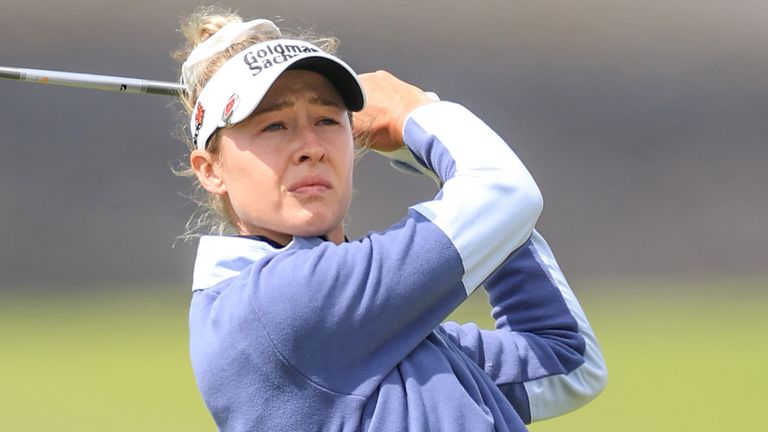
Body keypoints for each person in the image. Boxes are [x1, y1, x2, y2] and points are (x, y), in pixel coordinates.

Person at [175, 7, 607, 432]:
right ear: (211, 170)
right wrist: (417, 117)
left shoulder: (375, 326)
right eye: (273, 126)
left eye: (327, 119)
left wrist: (438, 153)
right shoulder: (277, 305)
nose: (311, 146)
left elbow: (566, 361)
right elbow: (504, 192)